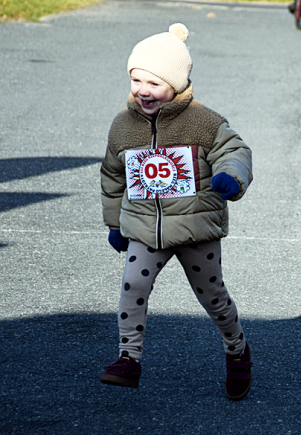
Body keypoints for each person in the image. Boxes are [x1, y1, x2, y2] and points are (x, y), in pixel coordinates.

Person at [98, 23, 254, 400]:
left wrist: (231, 177)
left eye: (153, 83)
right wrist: (115, 223)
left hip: (196, 229)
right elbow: (112, 175)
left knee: (213, 297)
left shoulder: (203, 121)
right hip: (145, 228)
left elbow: (236, 152)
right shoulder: (123, 125)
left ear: (177, 84)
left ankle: (237, 350)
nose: (143, 91)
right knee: (133, 285)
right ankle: (128, 359)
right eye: (137, 80)